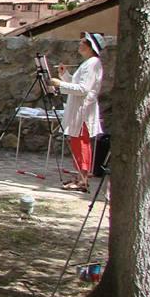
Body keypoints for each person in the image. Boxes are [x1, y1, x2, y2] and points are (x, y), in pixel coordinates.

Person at [51, 31, 105, 193]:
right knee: (77, 144)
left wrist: (60, 84)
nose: (79, 44)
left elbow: (83, 89)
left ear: (89, 46)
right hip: (79, 110)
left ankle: (83, 180)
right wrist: (65, 75)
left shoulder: (93, 63)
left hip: (83, 112)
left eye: (83, 42)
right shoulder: (89, 63)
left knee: (82, 145)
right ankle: (80, 177)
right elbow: (77, 83)